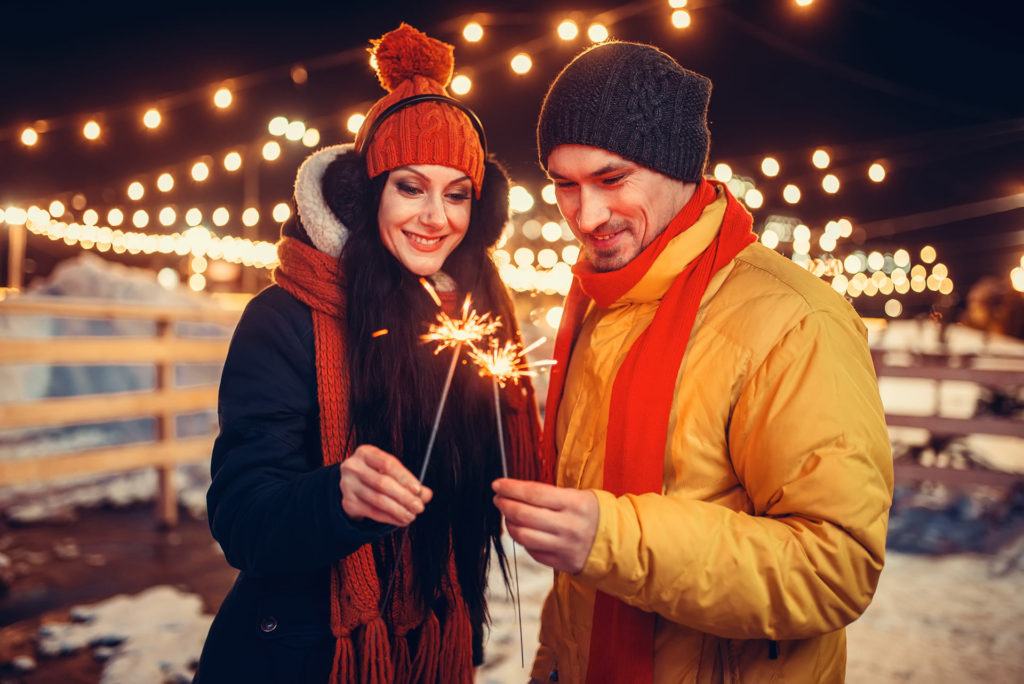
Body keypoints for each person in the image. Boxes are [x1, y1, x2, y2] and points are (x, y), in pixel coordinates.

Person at [492, 41, 893, 683]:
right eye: (565, 185)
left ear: (678, 166)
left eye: (611, 179)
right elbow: (579, 594)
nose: (585, 216)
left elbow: (834, 570)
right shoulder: (599, 304)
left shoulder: (795, 321)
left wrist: (614, 539)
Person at [195, 24, 541, 684]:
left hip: (431, 648)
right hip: (300, 657)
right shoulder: (286, 317)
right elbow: (241, 518)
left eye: (457, 193)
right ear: (365, 191)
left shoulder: (470, 320)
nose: (435, 217)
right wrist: (338, 497)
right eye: (411, 187)